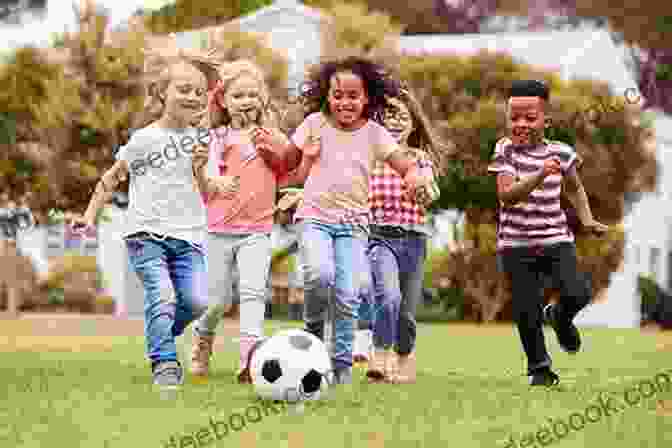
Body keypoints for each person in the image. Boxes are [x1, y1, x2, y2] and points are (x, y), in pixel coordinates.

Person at [252, 56, 431, 385]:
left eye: (353, 96)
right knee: (320, 275)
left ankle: (341, 367)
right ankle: (314, 327)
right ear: (327, 96)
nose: (345, 102)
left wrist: (415, 174)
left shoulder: (375, 133)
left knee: (348, 294)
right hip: (315, 218)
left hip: (353, 226)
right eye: (338, 95)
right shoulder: (314, 125)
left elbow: (402, 162)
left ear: (366, 98)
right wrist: (272, 152)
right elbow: (288, 162)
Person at [71, 60, 237, 390]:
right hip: (145, 234)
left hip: (188, 236)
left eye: (199, 93)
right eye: (184, 89)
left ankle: (159, 331)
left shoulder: (201, 140)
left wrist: (208, 175)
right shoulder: (144, 139)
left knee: (196, 302)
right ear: (162, 93)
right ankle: (164, 361)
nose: (193, 97)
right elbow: (112, 178)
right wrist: (90, 215)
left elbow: (203, 189)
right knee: (162, 296)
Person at [188, 60, 317, 383]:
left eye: (252, 94)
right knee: (218, 301)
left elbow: (290, 172)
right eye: (238, 95)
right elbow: (205, 182)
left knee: (253, 293)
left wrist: (302, 165)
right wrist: (211, 179)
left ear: (262, 98)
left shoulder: (273, 137)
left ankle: (249, 360)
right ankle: (204, 336)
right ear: (223, 101)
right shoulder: (216, 138)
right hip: (219, 229)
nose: (246, 100)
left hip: (258, 230)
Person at [488, 79, 609, 387]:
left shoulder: (562, 153)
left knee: (578, 293)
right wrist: (541, 173)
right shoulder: (505, 151)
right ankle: (540, 369)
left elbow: (575, 189)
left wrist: (587, 219)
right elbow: (508, 195)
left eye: (530, 117)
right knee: (526, 308)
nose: (521, 124)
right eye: (514, 117)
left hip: (556, 238)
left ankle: (560, 315)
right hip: (516, 243)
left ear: (546, 120)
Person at [364, 87, 448, 384]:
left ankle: (403, 356)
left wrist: (426, 190)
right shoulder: (371, 157)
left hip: (413, 239)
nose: (395, 122)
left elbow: (432, 190)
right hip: (378, 237)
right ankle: (379, 355)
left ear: (413, 121)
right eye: (387, 117)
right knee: (388, 297)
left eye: (401, 116)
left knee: (406, 312)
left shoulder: (418, 158)